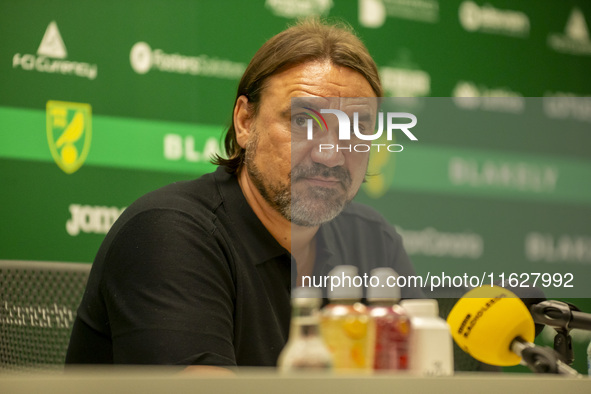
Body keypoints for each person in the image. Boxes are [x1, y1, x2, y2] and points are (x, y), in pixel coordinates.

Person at [65, 18, 423, 369]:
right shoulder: (169, 233)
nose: (330, 153)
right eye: (303, 122)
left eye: (357, 127)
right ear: (245, 122)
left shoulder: (373, 241)